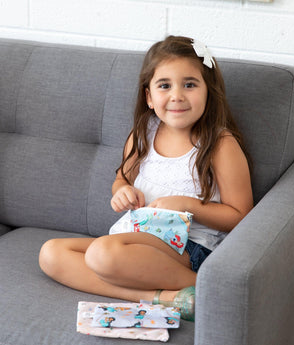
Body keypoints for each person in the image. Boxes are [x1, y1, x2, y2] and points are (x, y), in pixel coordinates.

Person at [39, 35, 253, 321]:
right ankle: (167, 298)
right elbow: (121, 180)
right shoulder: (143, 134)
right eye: (165, 86)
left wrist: (187, 205)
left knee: (102, 253)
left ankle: (202, 284)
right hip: (135, 239)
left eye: (189, 84)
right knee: (50, 253)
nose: (177, 95)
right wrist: (122, 192)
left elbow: (241, 216)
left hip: (188, 247)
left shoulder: (220, 144)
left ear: (208, 92)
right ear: (149, 97)